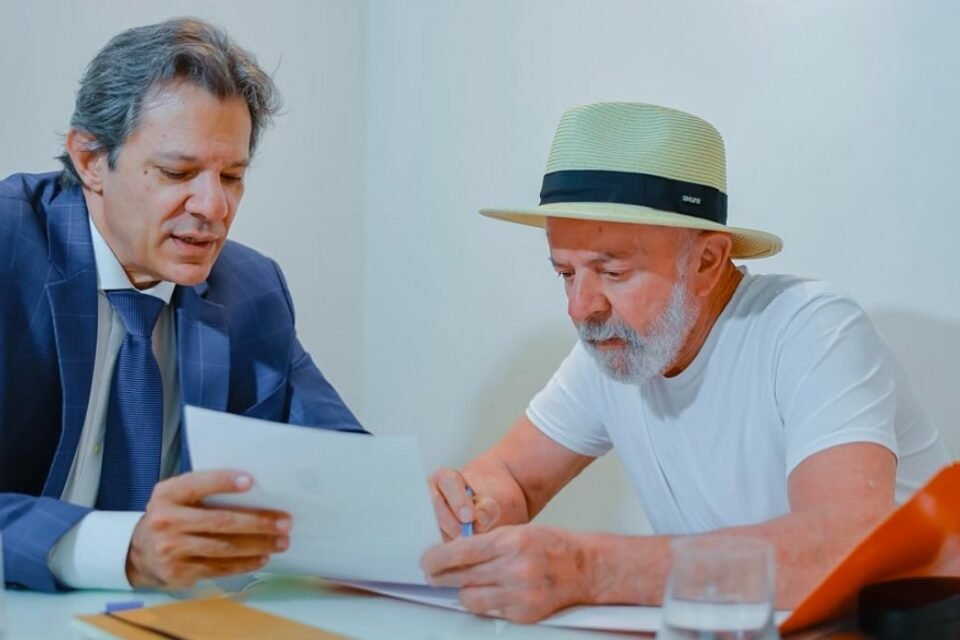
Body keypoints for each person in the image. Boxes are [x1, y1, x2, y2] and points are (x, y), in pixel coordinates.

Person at [421, 102, 950, 623]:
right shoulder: (617, 347)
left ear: (707, 261)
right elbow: (512, 478)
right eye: (566, 273)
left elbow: (845, 544)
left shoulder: (811, 329)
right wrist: (475, 505)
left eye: (613, 272)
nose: (580, 308)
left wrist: (592, 568)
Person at [0, 18, 365, 593]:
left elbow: (346, 471)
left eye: (233, 176)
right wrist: (119, 549)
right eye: (178, 172)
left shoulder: (251, 290)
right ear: (90, 160)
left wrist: (438, 514)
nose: (214, 207)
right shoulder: (9, 247)